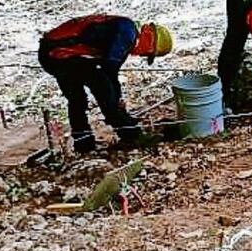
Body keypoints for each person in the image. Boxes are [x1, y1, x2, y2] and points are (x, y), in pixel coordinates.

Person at [39, 15, 173, 153]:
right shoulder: (127, 33)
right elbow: (109, 69)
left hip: (51, 52)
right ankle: (131, 135)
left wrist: (118, 97)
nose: (142, 55)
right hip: (59, 52)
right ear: (150, 40)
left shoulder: (126, 30)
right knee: (103, 89)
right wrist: (117, 102)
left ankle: (84, 145)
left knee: (77, 99)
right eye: (148, 53)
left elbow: (109, 67)